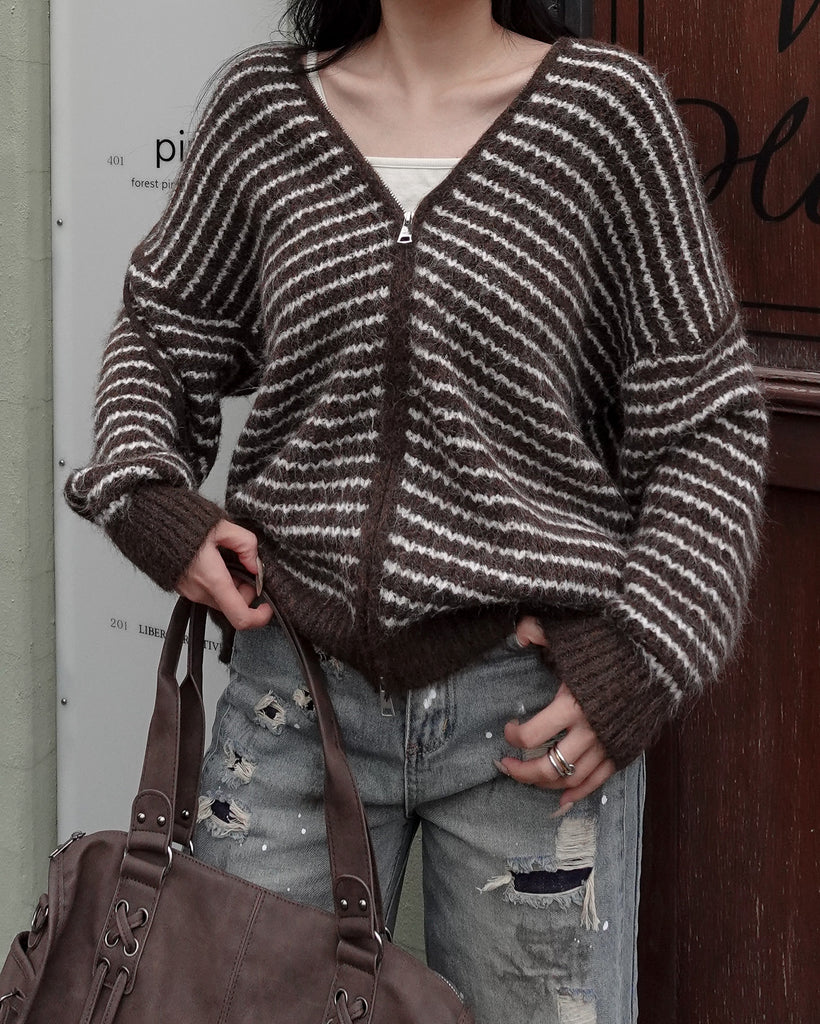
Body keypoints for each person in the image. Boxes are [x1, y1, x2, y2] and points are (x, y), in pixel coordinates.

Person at [64, 1, 769, 1021]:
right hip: (292, 701)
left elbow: (706, 419)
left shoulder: (607, 117)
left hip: (528, 721)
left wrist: (644, 654)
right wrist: (147, 498)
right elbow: (161, 334)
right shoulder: (263, 110)